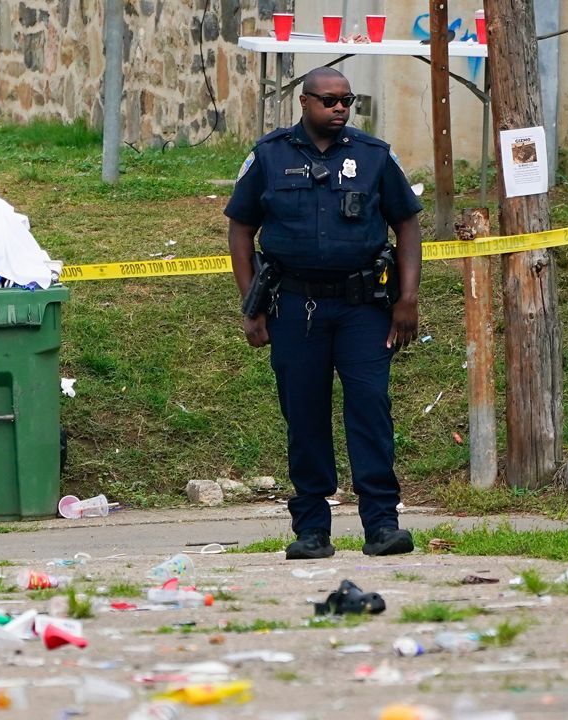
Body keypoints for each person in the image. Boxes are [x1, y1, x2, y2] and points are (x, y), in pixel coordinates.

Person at [224, 66, 423, 560]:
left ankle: (381, 524)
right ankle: (312, 529)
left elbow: (408, 224)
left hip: (364, 308)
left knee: (370, 409)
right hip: (295, 307)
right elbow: (241, 230)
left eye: (347, 101)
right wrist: (251, 304)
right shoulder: (269, 157)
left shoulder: (373, 156)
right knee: (305, 416)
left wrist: (408, 299)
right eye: (329, 100)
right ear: (304, 103)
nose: (339, 109)